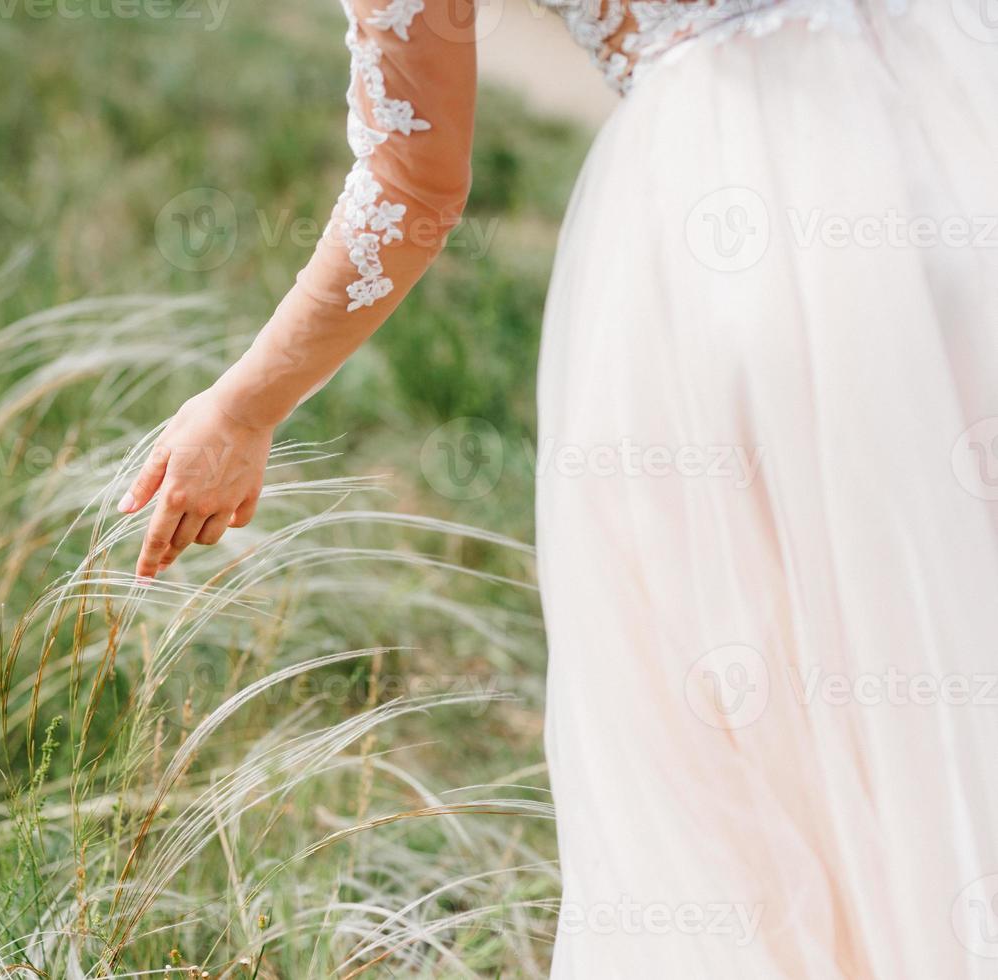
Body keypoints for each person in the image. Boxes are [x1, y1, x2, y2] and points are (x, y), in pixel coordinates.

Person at [120, 0, 998, 974]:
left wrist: (243, 408)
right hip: (960, 141)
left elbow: (408, 187)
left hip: (731, 248)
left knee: (770, 734)